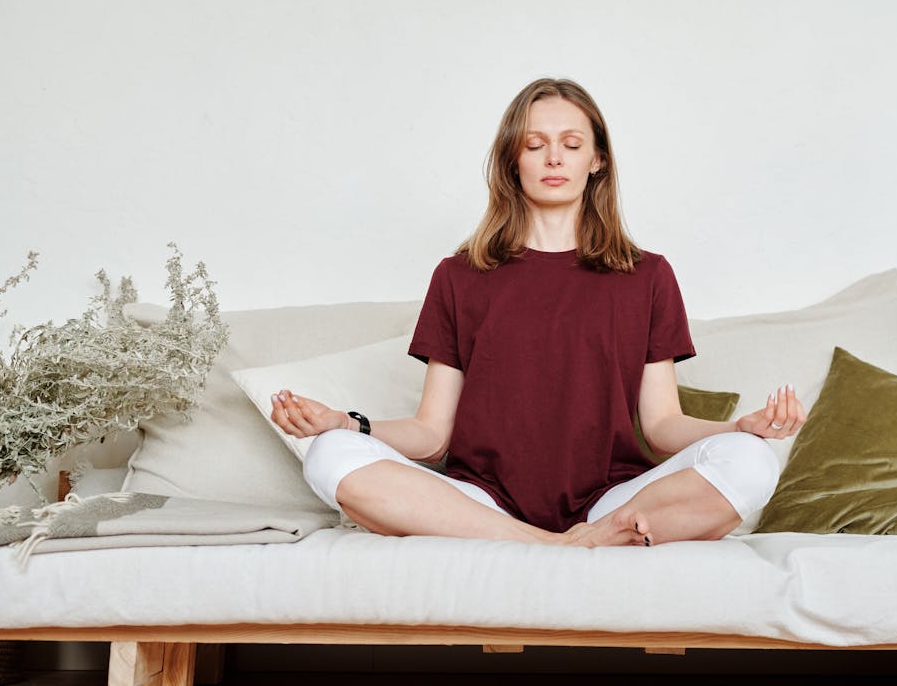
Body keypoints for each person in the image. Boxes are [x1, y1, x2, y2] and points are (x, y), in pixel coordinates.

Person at [270, 77, 807, 548]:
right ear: (513, 160)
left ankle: (580, 535)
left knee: (752, 462)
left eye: (571, 144)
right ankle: (557, 545)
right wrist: (346, 422)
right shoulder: (459, 276)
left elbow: (662, 426)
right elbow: (433, 435)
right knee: (330, 454)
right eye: (535, 144)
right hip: (482, 502)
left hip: (609, 499)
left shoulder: (647, 276)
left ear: (596, 162)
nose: (554, 158)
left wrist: (741, 429)